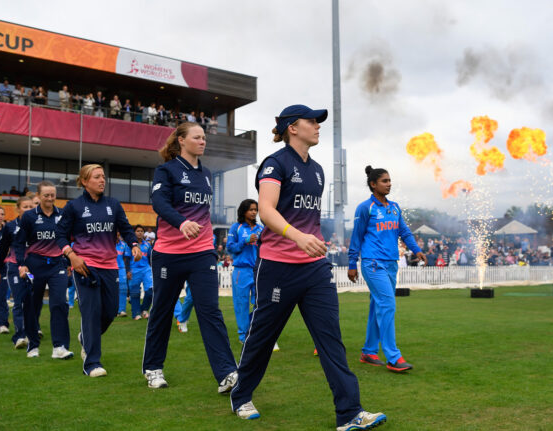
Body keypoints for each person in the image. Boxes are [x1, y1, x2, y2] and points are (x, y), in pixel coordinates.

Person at [230, 104, 385, 430]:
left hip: (314, 269)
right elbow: (266, 210)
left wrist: (311, 240)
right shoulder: (275, 164)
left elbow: (307, 217)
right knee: (262, 337)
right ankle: (241, 395)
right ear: (292, 128)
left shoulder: (317, 170)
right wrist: (297, 236)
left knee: (331, 340)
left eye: (318, 122)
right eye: (311, 121)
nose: (317, 126)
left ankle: (349, 413)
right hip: (277, 267)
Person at [141, 121, 238, 390]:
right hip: (168, 254)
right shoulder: (166, 170)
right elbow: (159, 202)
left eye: (204, 137)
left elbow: (203, 212)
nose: (203, 141)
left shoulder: (206, 173)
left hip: (202, 252)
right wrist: (181, 222)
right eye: (197, 137)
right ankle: (153, 369)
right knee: (162, 311)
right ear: (181, 140)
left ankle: (227, 373)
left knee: (210, 311)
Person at [56, 164, 141, 377]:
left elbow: (126, 229)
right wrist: (72, 256)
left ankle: (85, 337)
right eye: (97, 177)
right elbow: (60, 235)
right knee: (91, 313)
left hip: (110, 266)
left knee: (111, 311)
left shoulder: (113, 204)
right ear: (85, 181)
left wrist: (134, 245)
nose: (102, 180)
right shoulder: (74, 206)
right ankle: (92, 363)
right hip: (85, 266)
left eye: (103, 176)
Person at [348, 166, 426, 373]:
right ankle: (393, 357)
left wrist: (417, 250)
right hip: (373, 263)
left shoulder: (394, 207)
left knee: (378, 305)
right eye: (384, 181)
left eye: (390, 180)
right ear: (373, 184)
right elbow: (356, 237)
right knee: (388, 304)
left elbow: (404, 232)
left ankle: (368, 352)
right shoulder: (365, 208)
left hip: (391, 263)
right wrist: (352, 264)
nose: (389, 184)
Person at [15, 181, 74, 359]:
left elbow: (68, 240)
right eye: (46, 195)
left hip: (57, 265)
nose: (50, 198)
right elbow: (19, 243)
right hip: (34, 266)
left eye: (52, 195)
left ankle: (59, 347)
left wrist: (69, 262)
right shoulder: (29, 216)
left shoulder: (63, 215)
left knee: (59, 304)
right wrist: (21, 264)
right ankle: (33, 345)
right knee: (32, 305)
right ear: (39, 196)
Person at [0, 195, 36, 350]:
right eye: (25, 207)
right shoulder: (10, 226)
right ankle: (20, 336)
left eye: (31, 206)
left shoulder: (40, 224)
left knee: (33, 299)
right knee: (19, 300)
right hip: (15, 269)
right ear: (17, 209)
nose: (28, 209)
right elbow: (2, 249)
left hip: (34, 269)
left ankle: (33, 329)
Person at [226, 199, 267, 345]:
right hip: (241, 271)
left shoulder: (261, 228)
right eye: (251, 209)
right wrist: (245, 241)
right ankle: (243, 336)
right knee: (241, 304)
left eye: (256, 209)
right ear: (244, 211)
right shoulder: (236, 228)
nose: (254, 212)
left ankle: (251, 328)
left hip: (257, 270)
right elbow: (230, 248)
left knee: (260, 303)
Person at [129, 225, 153, 319]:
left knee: (151, 290)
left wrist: (152, 268)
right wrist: (127, 271)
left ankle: (144, 309)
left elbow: (150, 257)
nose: (140, 233)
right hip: (134, 269)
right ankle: (136, 313)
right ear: (134, 232)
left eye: (141, 231)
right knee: (135, 292)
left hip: (146, 269)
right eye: (138, 231)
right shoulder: (130, 244)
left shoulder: (147, 244)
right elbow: (126, 258)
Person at [116, 233, 131, 317]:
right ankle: (111, 309)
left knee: (123, 289)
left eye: (118, 233)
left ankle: (121, 310)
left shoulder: (124, 245)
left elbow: (126, 258)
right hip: (110, 268)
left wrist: (127, 270)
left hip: (121, 269)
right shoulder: (107, 243)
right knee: (110, 289)